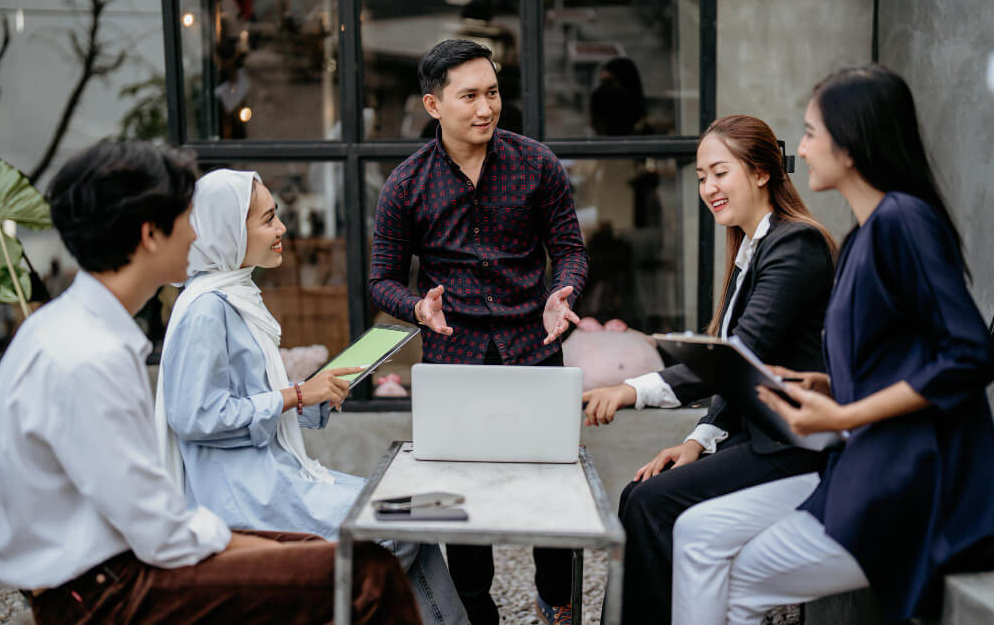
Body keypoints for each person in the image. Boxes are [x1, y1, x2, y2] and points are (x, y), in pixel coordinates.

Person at [0, 140, 420, 624]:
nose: (199, 231)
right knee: (364, 573)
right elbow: (157, 527)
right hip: (102, 590)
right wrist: (270, 552)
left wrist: (281, 549)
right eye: (186, 217)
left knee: (349, 558)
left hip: (110, 566)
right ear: (151, 234)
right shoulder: (91, 354)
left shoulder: (70, 330)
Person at [671, 66, 994, 624]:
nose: (800, 149)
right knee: (697, 533)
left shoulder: (903, 222)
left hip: (911, 479)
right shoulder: (866, 235)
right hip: (866, 465)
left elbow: (969, 354)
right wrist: (825, 384)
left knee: (725, 569)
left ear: (851, 142)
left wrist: (846, 412)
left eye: (811, 133)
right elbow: (896, 358)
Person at [155, 168, 467, 625]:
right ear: (227, 230)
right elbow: (195, 417)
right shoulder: (206, 308)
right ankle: (337, 605)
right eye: (267, 220)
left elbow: (254, 402)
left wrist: (313, 396)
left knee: (410, 517)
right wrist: (297, 394)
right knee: (394, 530)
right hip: (244, 493)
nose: (281, 228)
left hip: (273, 473)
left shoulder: (235, 296)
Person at [581, 115, 837, 624]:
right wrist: (698, 441)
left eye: (720, 173)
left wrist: (631, 390)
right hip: (755, 440)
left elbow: (739, 357)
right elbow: (735, 370)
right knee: (637, 492)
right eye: (701, 177)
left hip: (791, 448)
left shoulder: (796, 246)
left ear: (761, 172)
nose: (708, 188)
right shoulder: (751, 249)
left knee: (652, 504)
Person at [368, 39, 589, 625]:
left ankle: (556, 601)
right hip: (454, 358)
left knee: (553, 494)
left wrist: (563, 292)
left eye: (492, 93)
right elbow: (380, 280)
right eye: (469, 96)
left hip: (534, 347)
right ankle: (474, 614)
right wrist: (417, 308)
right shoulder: (405, 184)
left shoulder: (537, 164)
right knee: (461, 502)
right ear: (433, 105)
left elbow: (570, 250)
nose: (486, 108)